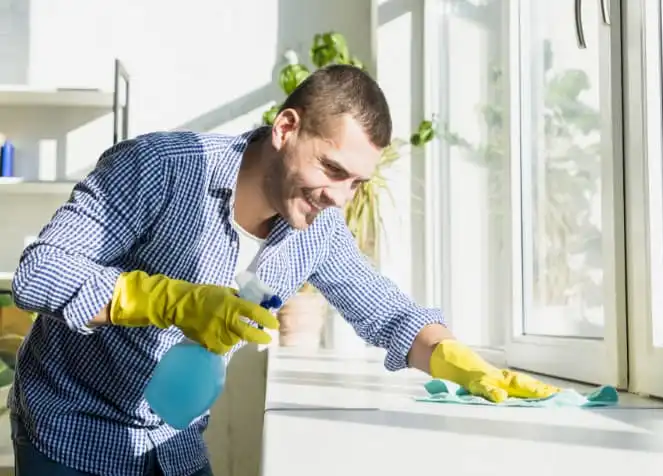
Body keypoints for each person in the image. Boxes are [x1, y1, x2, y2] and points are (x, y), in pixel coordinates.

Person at [8, 64, 560, 476]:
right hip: (72, 429)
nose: (341, 198)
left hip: (171, 445)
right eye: (332, 168)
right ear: (286, 128)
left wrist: (461, 362)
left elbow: (389, 314)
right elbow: (40, 272)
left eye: (357, 183)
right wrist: (171, 301)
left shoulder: (315, 228)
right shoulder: (159, 168)